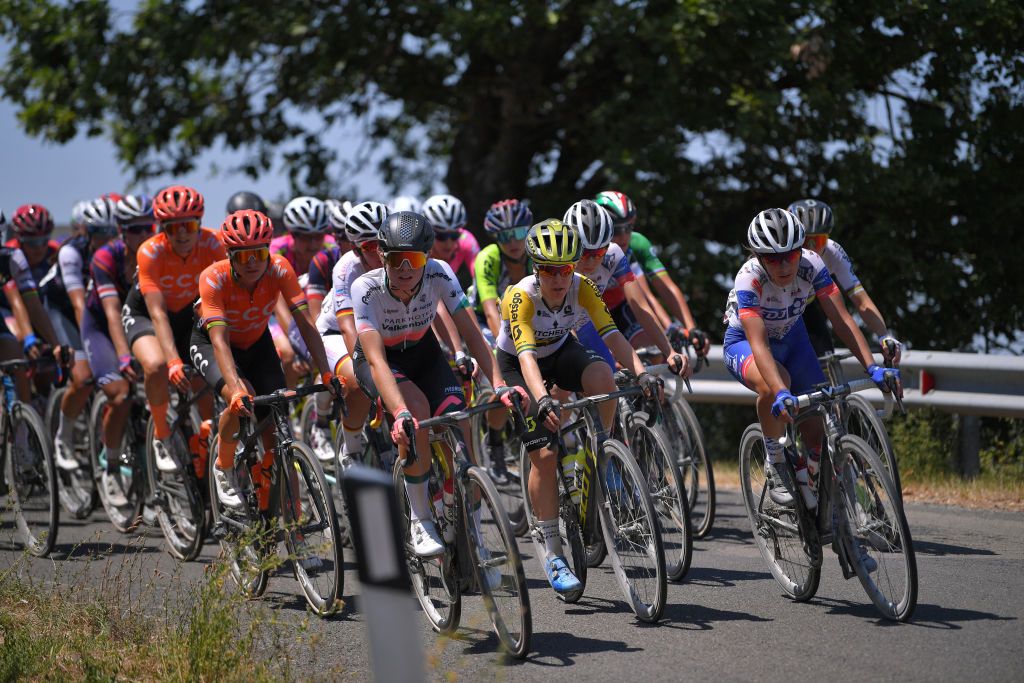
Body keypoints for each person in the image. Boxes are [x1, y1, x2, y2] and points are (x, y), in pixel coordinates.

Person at [496, 218, 665, 595]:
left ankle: (600, 450)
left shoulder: (582, 287)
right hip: (519, 365)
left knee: (603, 375)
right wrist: (540, 400)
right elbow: (524, 358)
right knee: (544, 454)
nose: (559, 279)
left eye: (566, 270)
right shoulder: (520, 295)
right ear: (536, 270)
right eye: (550, 271)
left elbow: (613, 336)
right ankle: (553, 551)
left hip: (559, 351)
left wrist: (641, 374)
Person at [350, 211, 525, 557]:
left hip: (424, 352)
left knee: (458, 423)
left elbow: (472, 333)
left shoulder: (439, 273)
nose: (404, 269)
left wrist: (500, 384)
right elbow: (375, 360)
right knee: (415, 415)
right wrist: (398, 411)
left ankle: (469, 529)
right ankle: (420, 519)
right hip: (384, 361)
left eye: (413, 259)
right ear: (382, 257)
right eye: (396, 259)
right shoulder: (365, 289)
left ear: (426, 258)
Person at [722, 209, 898, 547]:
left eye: (790, 255)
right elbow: (758, 343)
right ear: (759, 257)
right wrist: (779, 390)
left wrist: (871, 366)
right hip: (745, 344)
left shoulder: (812, 264)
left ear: (800, 250)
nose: (784, 265)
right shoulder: (749, 279)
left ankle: (813, 492)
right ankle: (775, 459)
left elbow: (842, 319)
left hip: (794, 339)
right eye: (773, 260)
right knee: (777, 382)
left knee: (817, 428)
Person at [192, 209, 340, 513]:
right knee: (241, 395)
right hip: (214, 345)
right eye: (244, 257)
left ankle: (293, 519)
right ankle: (223, 466)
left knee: (278, 426)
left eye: (259, 254)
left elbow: (306, 324)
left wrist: (326, 373)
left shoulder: (280, 269)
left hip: (257, 345)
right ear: (229, 255)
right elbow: (219, 341)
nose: (253, 263)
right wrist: (234, 389)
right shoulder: (213, 278)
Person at [122, 185, 225, 474]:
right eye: (172, 227)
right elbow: (157, 313)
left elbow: (222, 301)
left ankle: (207, 456)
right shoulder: (150, 251)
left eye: (189, 225)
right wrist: (173, 360)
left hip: (187, 314)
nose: (181, 234)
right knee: (155, 365)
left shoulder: (213, 244)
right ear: (162, 227)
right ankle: (161, 435)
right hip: (146, 314)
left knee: (203, 380)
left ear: (199, 224)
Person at [79, 198, 152, 503]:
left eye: (149, 227)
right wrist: (124, 358)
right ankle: (109, 467)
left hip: (140, 321)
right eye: (136, 230)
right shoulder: (106, 257)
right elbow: (112, 314)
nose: (144, 235)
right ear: (122, 231)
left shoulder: (157, 253)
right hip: (101, 327)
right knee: (121, 393)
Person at [566, 199, 689, 375]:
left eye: (599, 252)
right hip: (557, 327)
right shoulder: (560, 264)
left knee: (621, 384)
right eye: (584, 253)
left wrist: (669, 351)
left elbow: (640, 307)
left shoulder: (614, 254)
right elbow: (563, 323)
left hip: (590, 321)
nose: (591, 261)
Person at [595, 190, 710, 357]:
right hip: (588, 313)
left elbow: (655, 293)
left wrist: (688, 329)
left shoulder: (636, 245)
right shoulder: (586, 252)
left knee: (652, 351)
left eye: (629, 227)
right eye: (617, 230)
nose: (624, 235)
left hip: (622, 308)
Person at [788, 198, 901, 364]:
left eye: (818, 241)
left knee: (828, 365)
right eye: (805, 241)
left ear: (827, 238)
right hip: (776, 312)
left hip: (807, 309)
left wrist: (884, 335)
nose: (812, 248)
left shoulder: (833, 252)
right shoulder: (781, 258)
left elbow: (861, 300)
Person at [269, 196, 331, 387]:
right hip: (275, 311)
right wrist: (300, 347)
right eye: (305, 237)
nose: (313, 244)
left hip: (310, 310)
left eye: (318, 236)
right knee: (288, 354)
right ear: (292, 234)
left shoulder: (331, 246)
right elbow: (278, 305)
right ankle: (283, 411)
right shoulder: (276, 250)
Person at [421, 193, 480, 292]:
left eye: (454, 236)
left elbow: (480, 274)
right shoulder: (419, 247)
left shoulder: (465, 240)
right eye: (441, 236)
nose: (448, 243)